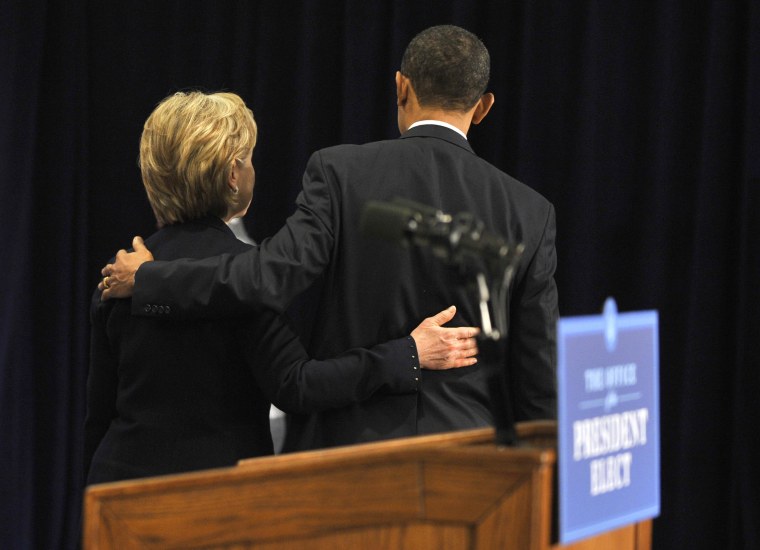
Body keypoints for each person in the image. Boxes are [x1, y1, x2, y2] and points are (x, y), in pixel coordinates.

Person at [100, 25, 558, 451]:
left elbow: (267, 277)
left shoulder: (341, 173)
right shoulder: (530, 213)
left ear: (401, 87)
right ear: (483, 106)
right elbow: (538, 381)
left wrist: (153, 280)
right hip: (472, 465)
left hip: (349, 459)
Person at [85, 90, 479, 484]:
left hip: (118, 490)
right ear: (233, 175)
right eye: (250, 158)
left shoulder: (119, 276)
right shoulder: (244, 275)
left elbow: (98, 415)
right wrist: (406, 355)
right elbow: (297, 386)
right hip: (214, 499)